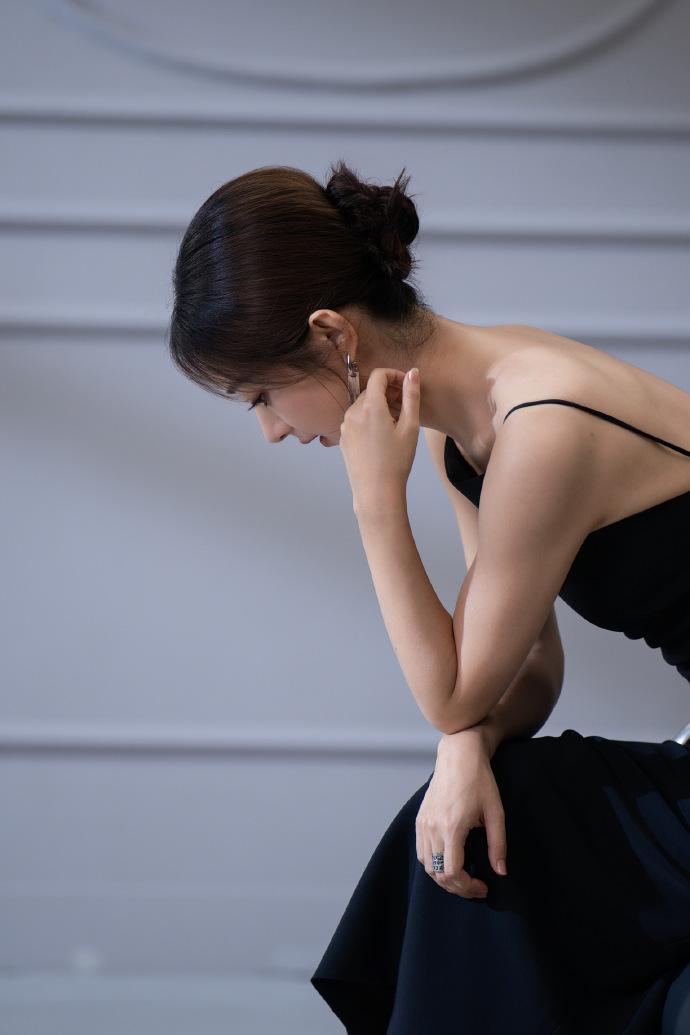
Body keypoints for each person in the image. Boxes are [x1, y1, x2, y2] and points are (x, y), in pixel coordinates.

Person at [167, 159, 690, 1033]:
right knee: (477, 822)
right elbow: (525, 668)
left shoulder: (545, 423)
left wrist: (376, 500)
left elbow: (450, 690)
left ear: (332, 334)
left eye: (262, 393)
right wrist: (465, 749)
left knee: (490, 842)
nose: (271, 429)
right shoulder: (470, 432)